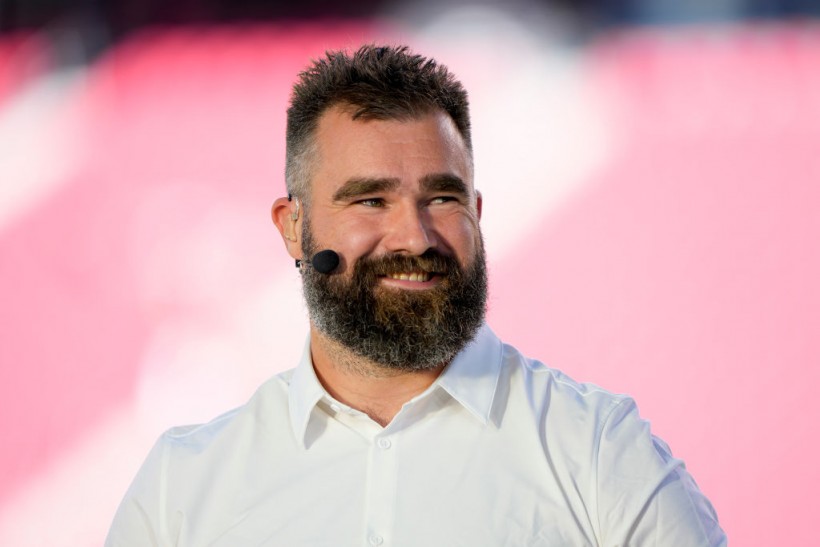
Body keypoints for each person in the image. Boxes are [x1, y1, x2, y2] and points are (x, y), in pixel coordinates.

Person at [106, 44, 726, 546]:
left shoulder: (601, 455)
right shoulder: (181, 490)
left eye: (442, 197)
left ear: (477, 214)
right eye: (370, 199)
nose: (415, 235)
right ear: (293, 228)